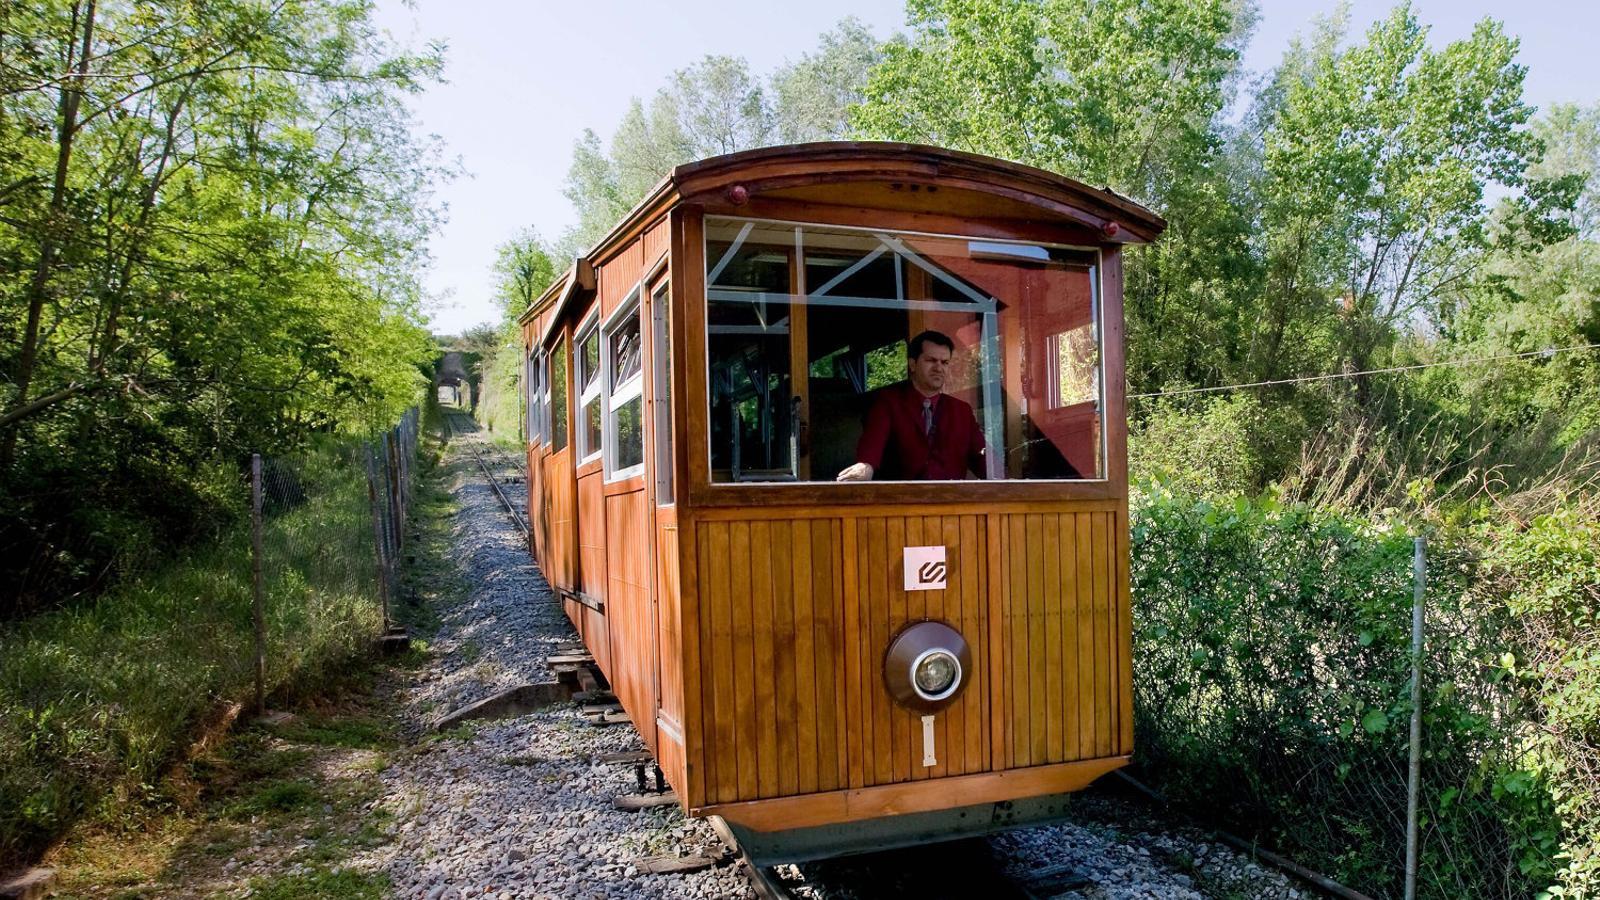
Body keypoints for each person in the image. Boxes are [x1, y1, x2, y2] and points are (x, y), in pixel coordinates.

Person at [836, 330, 987, 481]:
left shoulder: (962, 411)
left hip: (950, 501)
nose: (939, 368)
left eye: (944, 362)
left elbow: (982, 459)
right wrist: (866, 465)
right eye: (931, 360)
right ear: (912, 364)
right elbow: (874, 441)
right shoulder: (888, 402)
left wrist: (1004, 478)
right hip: (901, 500)